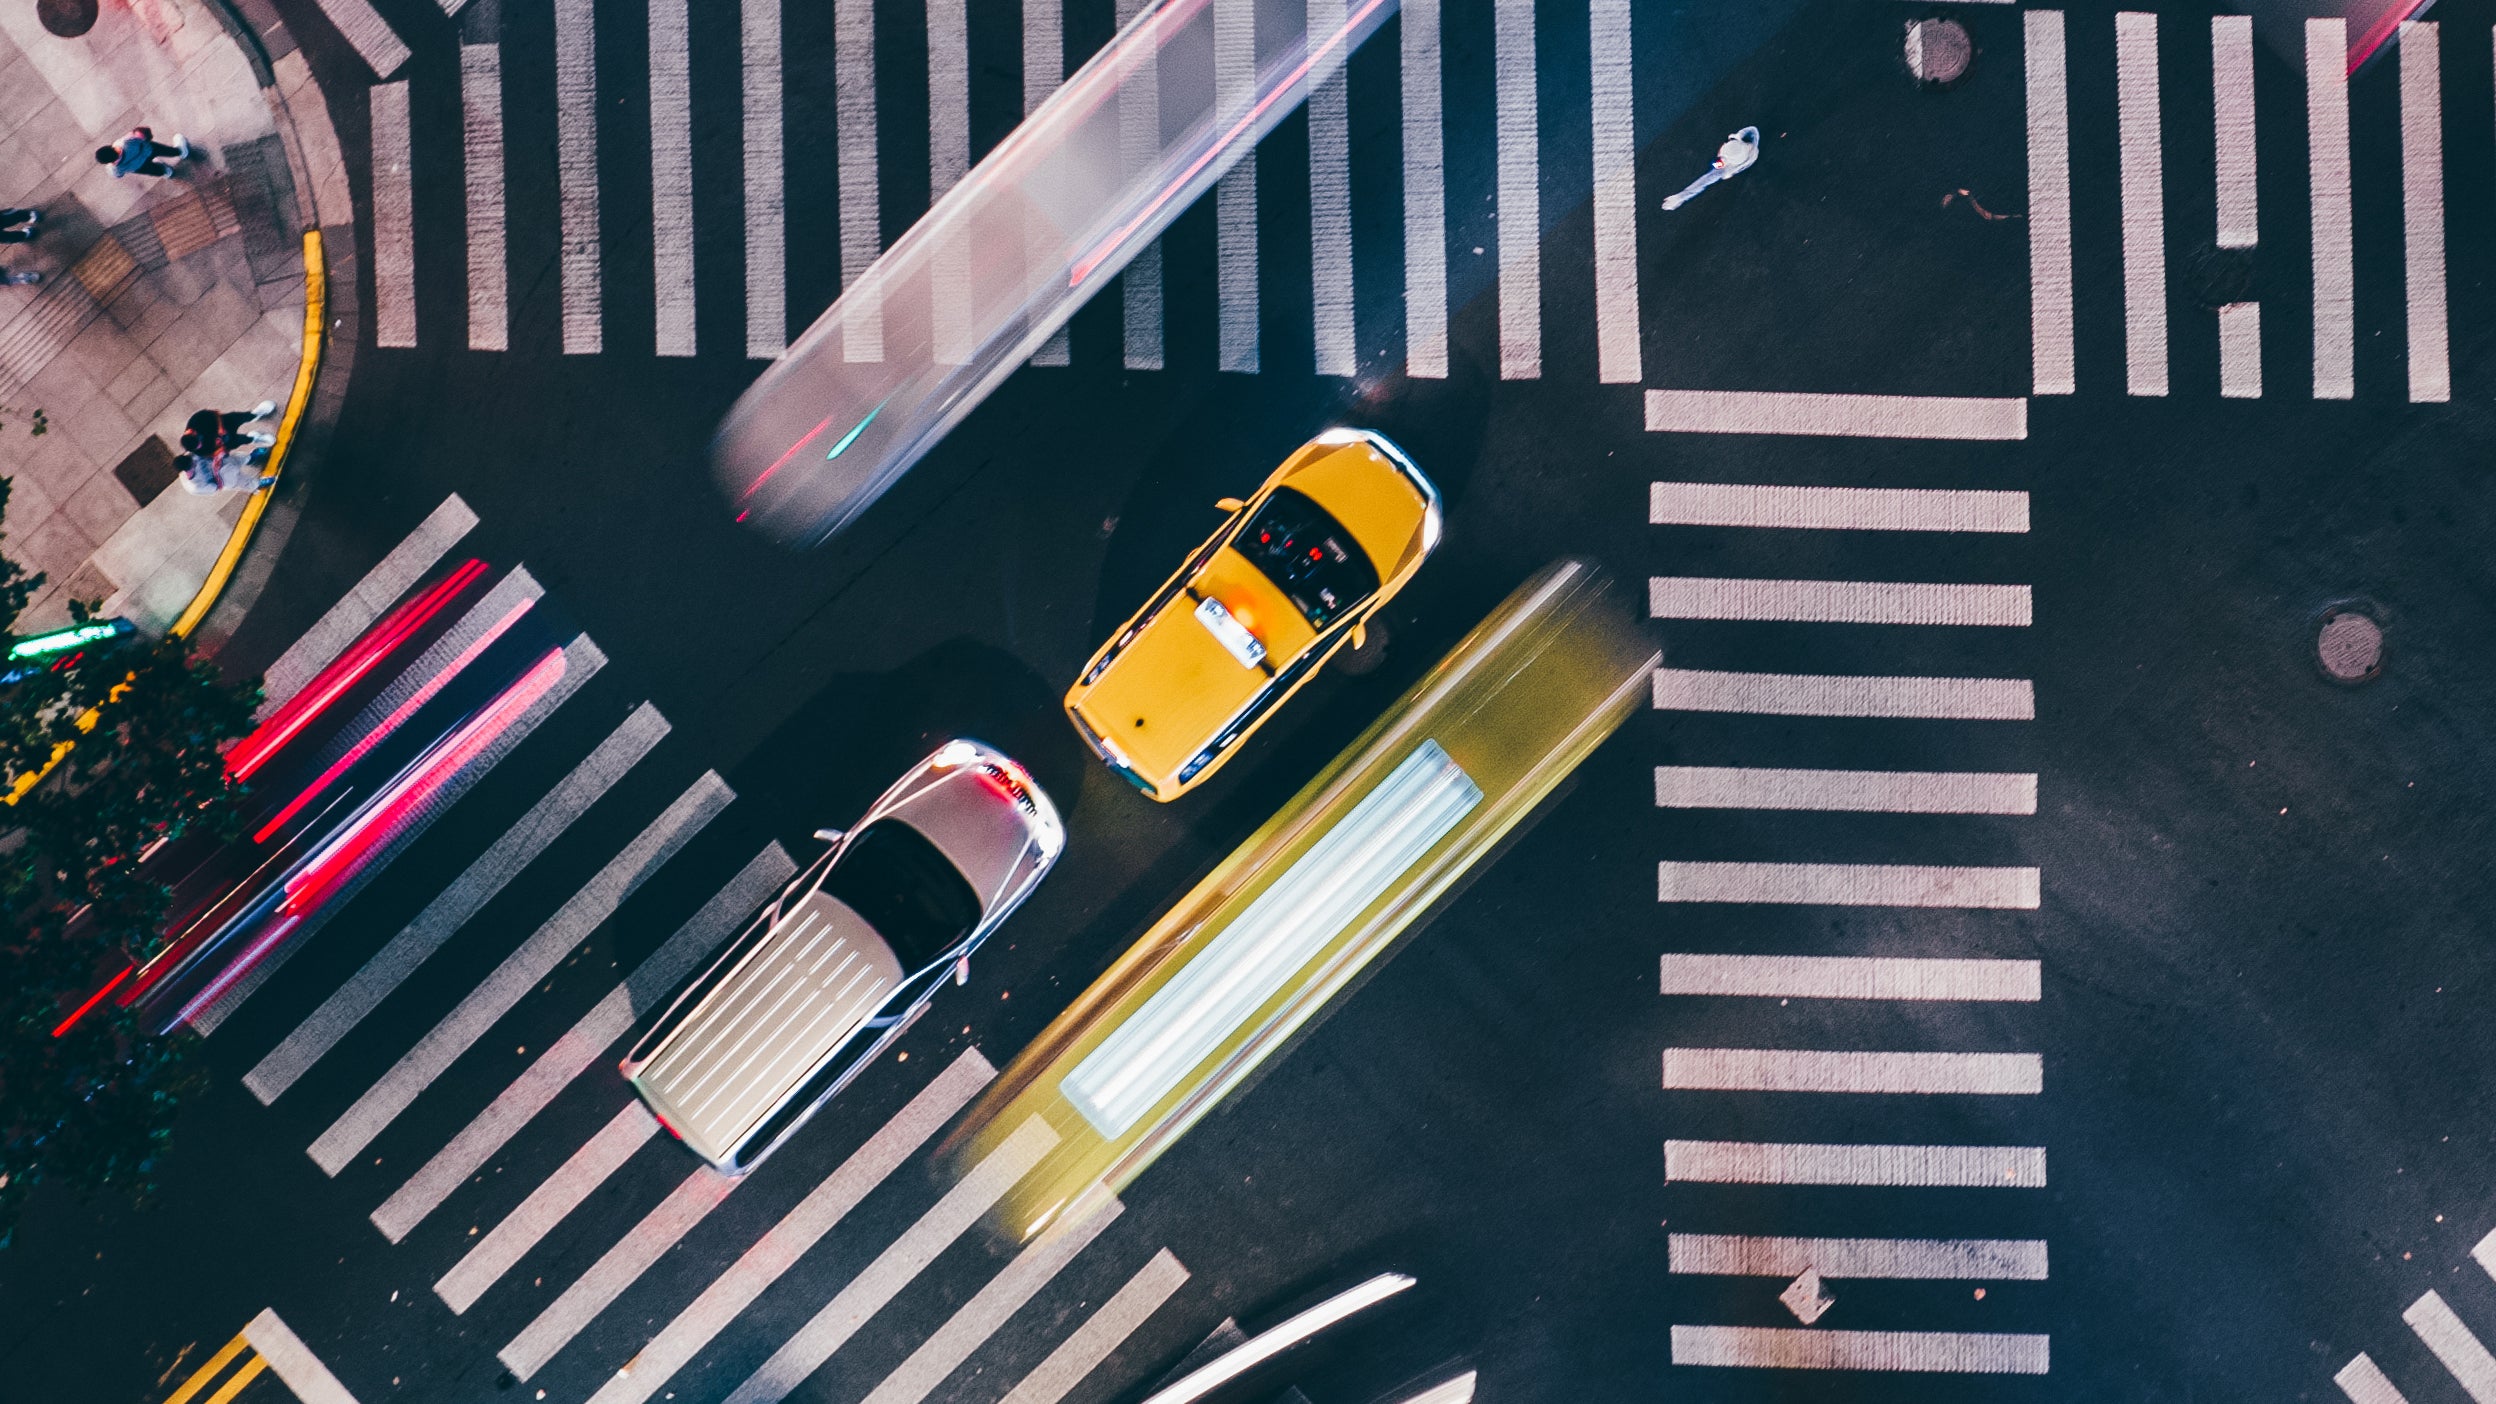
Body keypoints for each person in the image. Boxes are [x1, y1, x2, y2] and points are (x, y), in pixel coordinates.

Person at [1662, 126, 1761, 212]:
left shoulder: (1732, 166)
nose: (1721, 158)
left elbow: (1705, 181)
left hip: (1734, 166)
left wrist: (1681, 197)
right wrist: (1738, 135)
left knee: (1715, 173)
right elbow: (1752, 130)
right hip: (1737, 156)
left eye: (1724, 158)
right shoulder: (1743, 140)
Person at [179, 401, 278, 459]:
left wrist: (220, 428)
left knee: (244, 417)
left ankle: (256, 414)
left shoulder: (195, 420)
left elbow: (214, 412)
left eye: (200, 441)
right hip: (225, 441)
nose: (201, 444)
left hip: (225, 422)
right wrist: (220, 449)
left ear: (193, 433)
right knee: (243, 440)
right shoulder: (196, 449)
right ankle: (255, 438)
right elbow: (210, 454)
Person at [95, 127, 190, 179]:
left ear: (108, 161)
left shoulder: (114, 168)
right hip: (149, 150)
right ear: (110, 147)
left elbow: (118, 175)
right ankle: (181, 151)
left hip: (140, 167)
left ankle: (166, 171)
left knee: (153, 170)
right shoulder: (124, 143)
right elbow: (139, 136)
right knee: (166, 151)